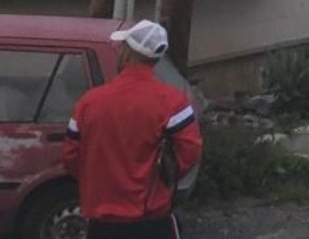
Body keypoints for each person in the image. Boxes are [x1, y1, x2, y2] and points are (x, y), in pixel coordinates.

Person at [63, 20, 204, 238]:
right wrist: (160, 181)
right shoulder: (173, 102)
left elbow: (71, 157)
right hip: (151, 217)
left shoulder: (89, 102)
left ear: (128, 53)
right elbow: (189, 153)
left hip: (102, 221)